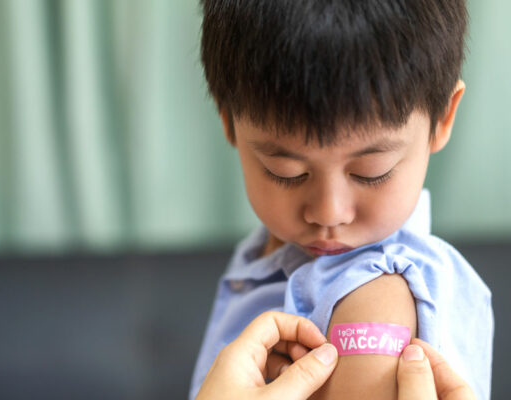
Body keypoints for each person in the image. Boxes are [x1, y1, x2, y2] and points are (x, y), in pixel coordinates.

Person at [190, 1, 493, 399]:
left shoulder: (379, 294)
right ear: (227, 120)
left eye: (372, 172)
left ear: (443, 119)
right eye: (287, 172)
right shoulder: (270, 250)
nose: (329, 213)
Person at [196, 311, 475, 400]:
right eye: (288, 177)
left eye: (369, 177)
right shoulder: (254, 250)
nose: (329, 213)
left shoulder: (381, 281)